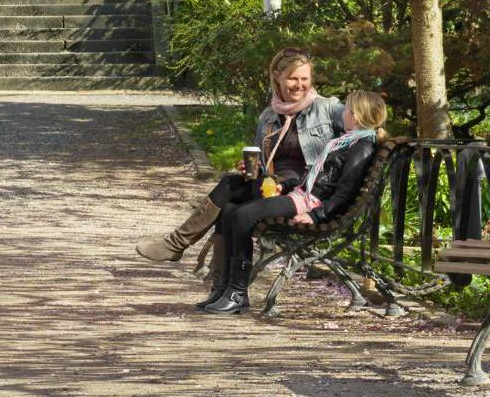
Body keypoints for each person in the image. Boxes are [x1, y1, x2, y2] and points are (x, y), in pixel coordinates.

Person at [137, 47, 345, 286]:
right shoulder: (268, 115)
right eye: (293, 78)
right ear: (277, 77)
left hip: (303, 191)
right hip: (273, 186)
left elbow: (360, 123)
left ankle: (181, 248)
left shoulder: (328, 108)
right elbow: (263, 164)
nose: (300, 85)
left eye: (305, 78)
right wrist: (251, 170)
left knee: (230, 199)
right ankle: (218, 279)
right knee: (230, 189)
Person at [201, 86, 389, 314]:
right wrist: (286, 184)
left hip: (311, 204)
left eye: (347, 110)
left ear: (356, 116)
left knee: (242, 215)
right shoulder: (346, 141)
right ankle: (225, 287)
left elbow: (345, 191)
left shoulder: (361, 147)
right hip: (302, 195)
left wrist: (315, 215)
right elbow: (315, 175)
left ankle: (237, 293)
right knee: (231, 209)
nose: (343, 114)